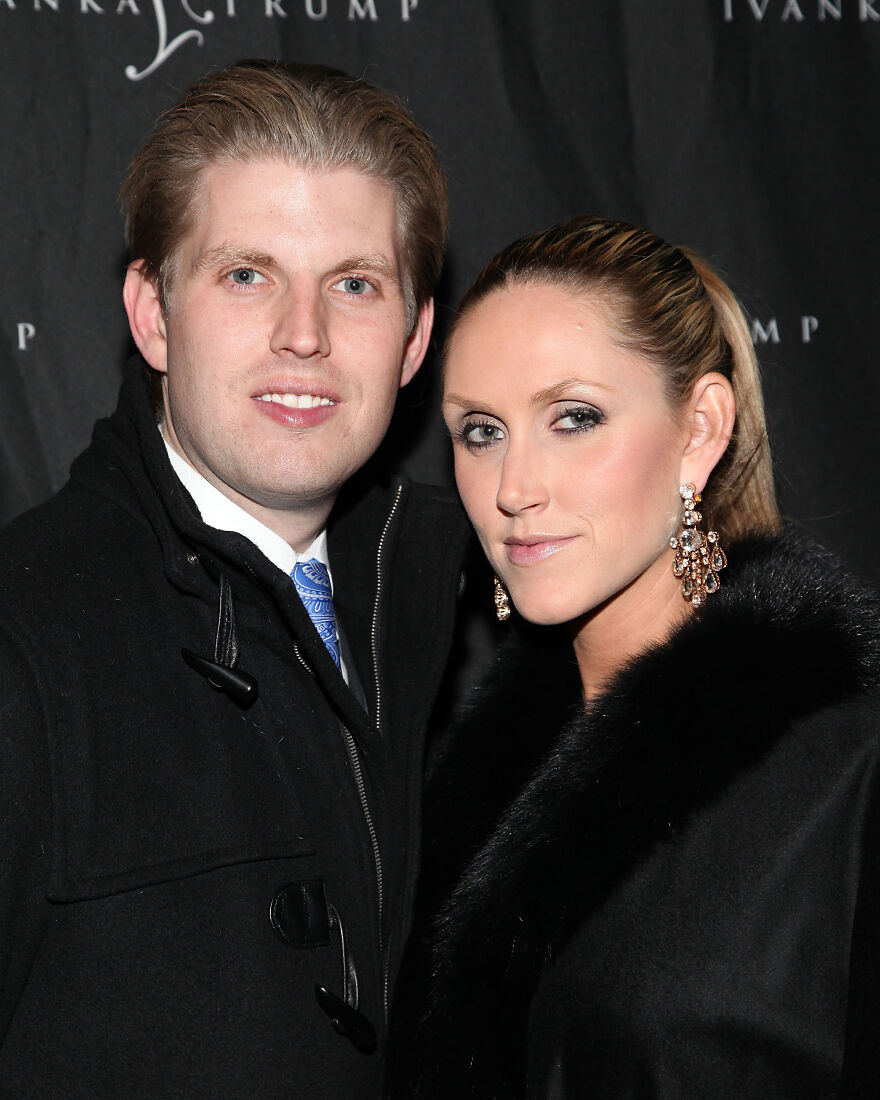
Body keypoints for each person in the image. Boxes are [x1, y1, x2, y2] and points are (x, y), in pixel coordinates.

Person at [0, 60, 470, 1097]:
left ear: (414, 338)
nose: (303, 333)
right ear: (154, 313)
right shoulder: (26, 642)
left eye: (354, 283)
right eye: (246, 273)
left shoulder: (458, 615)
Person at [388, 215, 880, 1098]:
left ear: (700, 430)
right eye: (480, 432)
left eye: (573, 418)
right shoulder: (466, 789)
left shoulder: (847, 774)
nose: (513, 490)